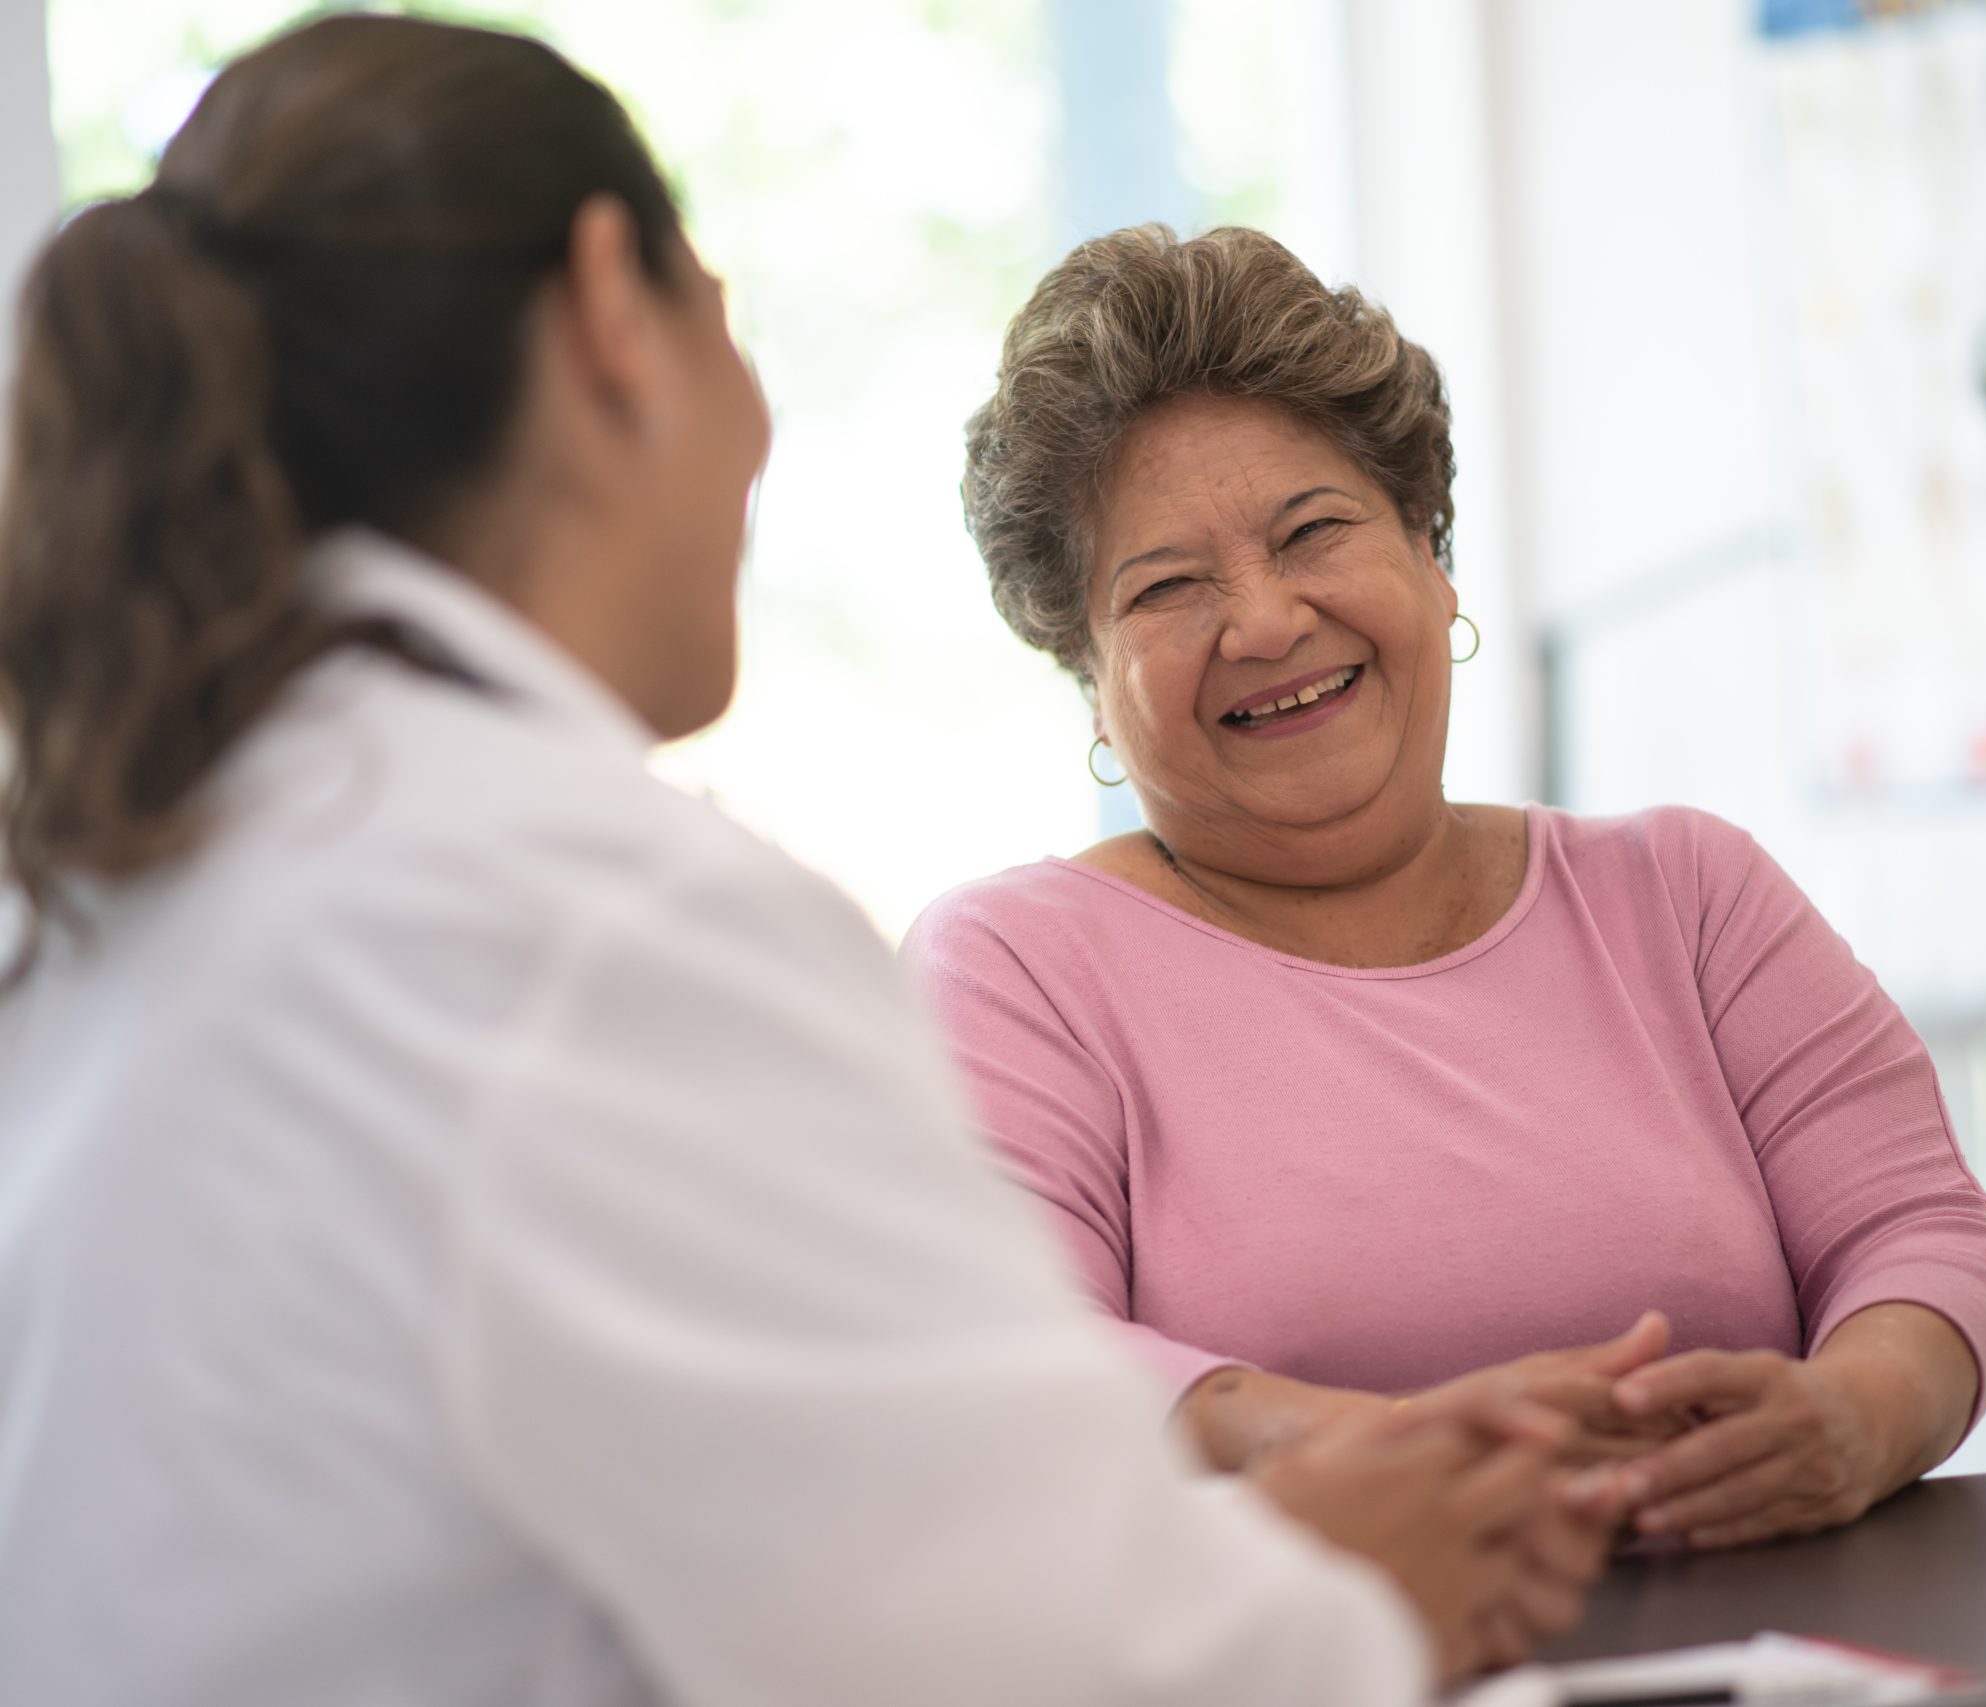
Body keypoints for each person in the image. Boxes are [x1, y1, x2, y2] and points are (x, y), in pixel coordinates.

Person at [0, 21, 1624, 1706]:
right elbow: (1021, 1652)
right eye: (726, 314)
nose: (760, 433)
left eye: (1314, 533)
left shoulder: (137, 867)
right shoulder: (585, 923)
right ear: (615, 312)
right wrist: (1354, 1588)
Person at [907, 224, 1986, 1554]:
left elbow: (1926, 1238)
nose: (1263, 621)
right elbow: (1009, 1359)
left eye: (1312, 531)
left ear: (1432, 560)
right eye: (1167, 587)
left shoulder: (1688, 894)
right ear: (1090, 676)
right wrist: (1342, 1451)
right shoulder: (1015, 967)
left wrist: (1855, 1418)